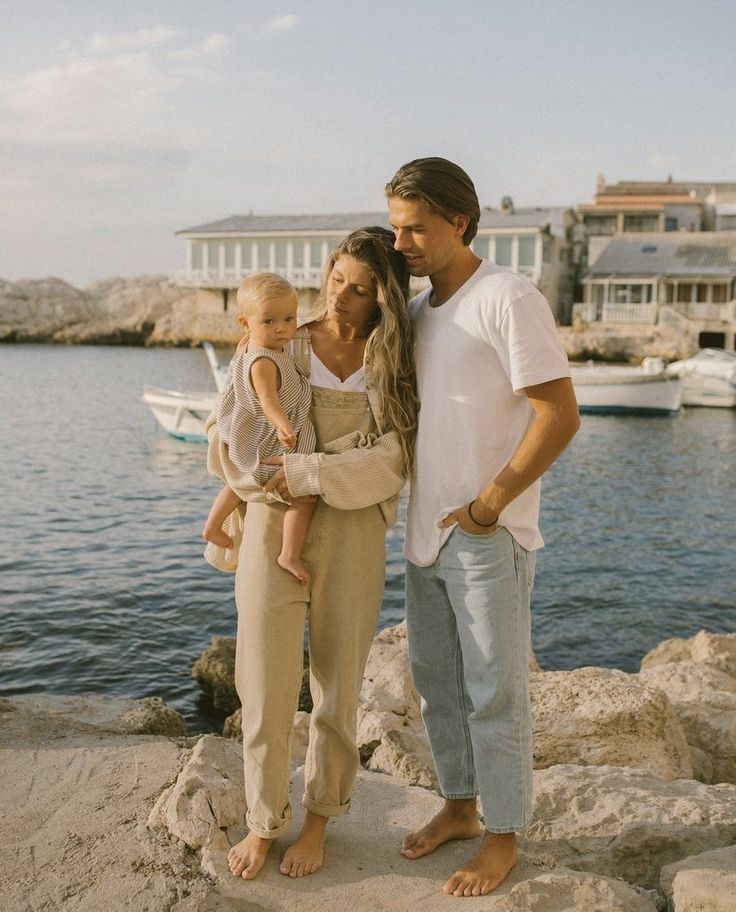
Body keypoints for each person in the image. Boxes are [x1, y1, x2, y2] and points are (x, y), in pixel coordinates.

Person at [385, 157, 580, 897]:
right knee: (438, 688)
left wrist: (489, 506)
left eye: (416, 228)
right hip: (425, 535)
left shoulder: (508, 296)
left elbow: (559, 415)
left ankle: (503, 836)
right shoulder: (419, 311)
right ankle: (461, 807)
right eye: (397, 227)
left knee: (496, 691)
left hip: (487, 535)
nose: (401, 242)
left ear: (459, 221)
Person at [204, 226, 419, 881]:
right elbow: (226, 427)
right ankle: (264, 822)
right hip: (270, 524)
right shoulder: (281, 341)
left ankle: (320, 819)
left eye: (360, 289)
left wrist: (312, 474)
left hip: (353, 533)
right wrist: (259, 481)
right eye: (335, 281)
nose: (342, 298)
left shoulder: (394, 364)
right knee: (264, 686)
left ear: (385, 295)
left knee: (338, 689)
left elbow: (396, 458)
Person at [202, 272, 317, 584]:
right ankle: (289, 553)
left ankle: (213, 525)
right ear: (245, 324)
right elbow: (267, 399)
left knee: (238, 482)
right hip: (271, 440)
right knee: (303, 495)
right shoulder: (263, 361)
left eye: (289, 318)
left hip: (260, 439)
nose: (281, 328)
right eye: (269, 321)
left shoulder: (258, 346)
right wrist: (283, 426)